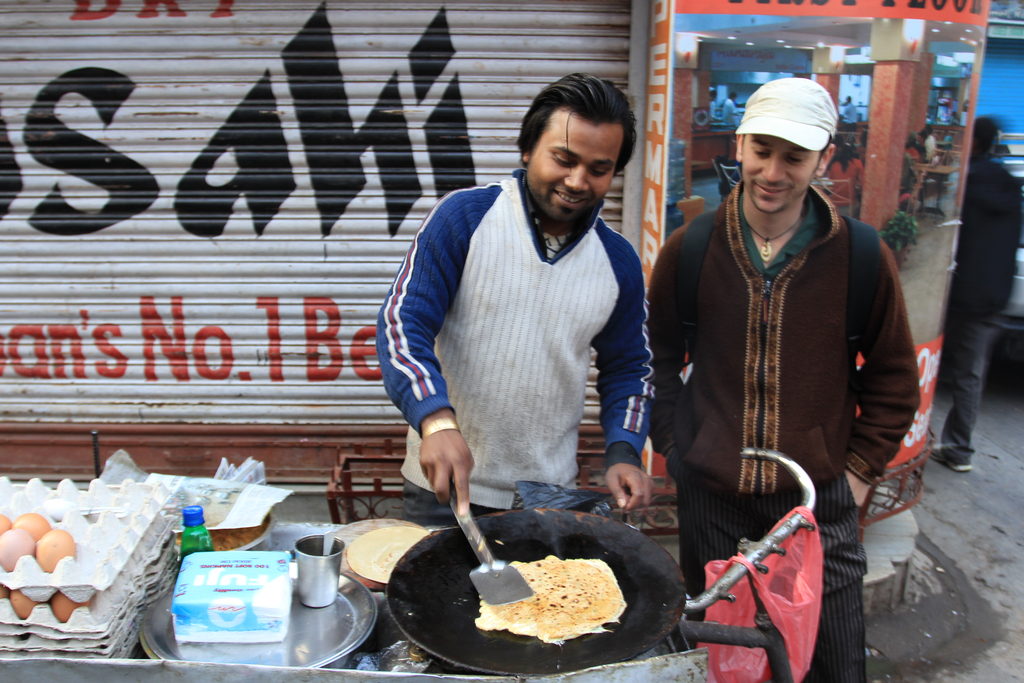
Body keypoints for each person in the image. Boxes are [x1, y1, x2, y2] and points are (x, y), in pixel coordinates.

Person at [647, 77, 920, 682]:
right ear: (740, 145)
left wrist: (857, 473)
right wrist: (677, 445)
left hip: (817, 503)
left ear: (823, 158)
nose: (773, 172)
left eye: (794, 157)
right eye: (762, 151)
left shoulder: (863, 258)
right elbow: (656, 355)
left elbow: (895, 378)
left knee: (835, 663)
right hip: (713, 498)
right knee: (730, 663)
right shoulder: (690, 249)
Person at [376, 73, 654, 527]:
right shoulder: (464, 219)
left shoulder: (618, 261)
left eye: (598, 169)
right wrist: (435, 420)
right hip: (443, 489)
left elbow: (630, 367)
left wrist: (624, 450)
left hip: (549, 496)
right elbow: (403, 325)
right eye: (563, 159)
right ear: (527, 150)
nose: (578, 180)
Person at [933, 117, 1023, 473]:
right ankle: (959, 448)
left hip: (957, 293)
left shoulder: (964, 183)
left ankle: (908, 439)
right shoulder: (1008, 185)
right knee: (971, 374)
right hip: (994, 297)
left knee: (918, 361)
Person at [825, 142, 864, 216]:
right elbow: (862, 183)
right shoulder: (857, 163)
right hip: (850, 204)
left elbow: (831, 181)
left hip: (833, 203)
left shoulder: (833, 164)